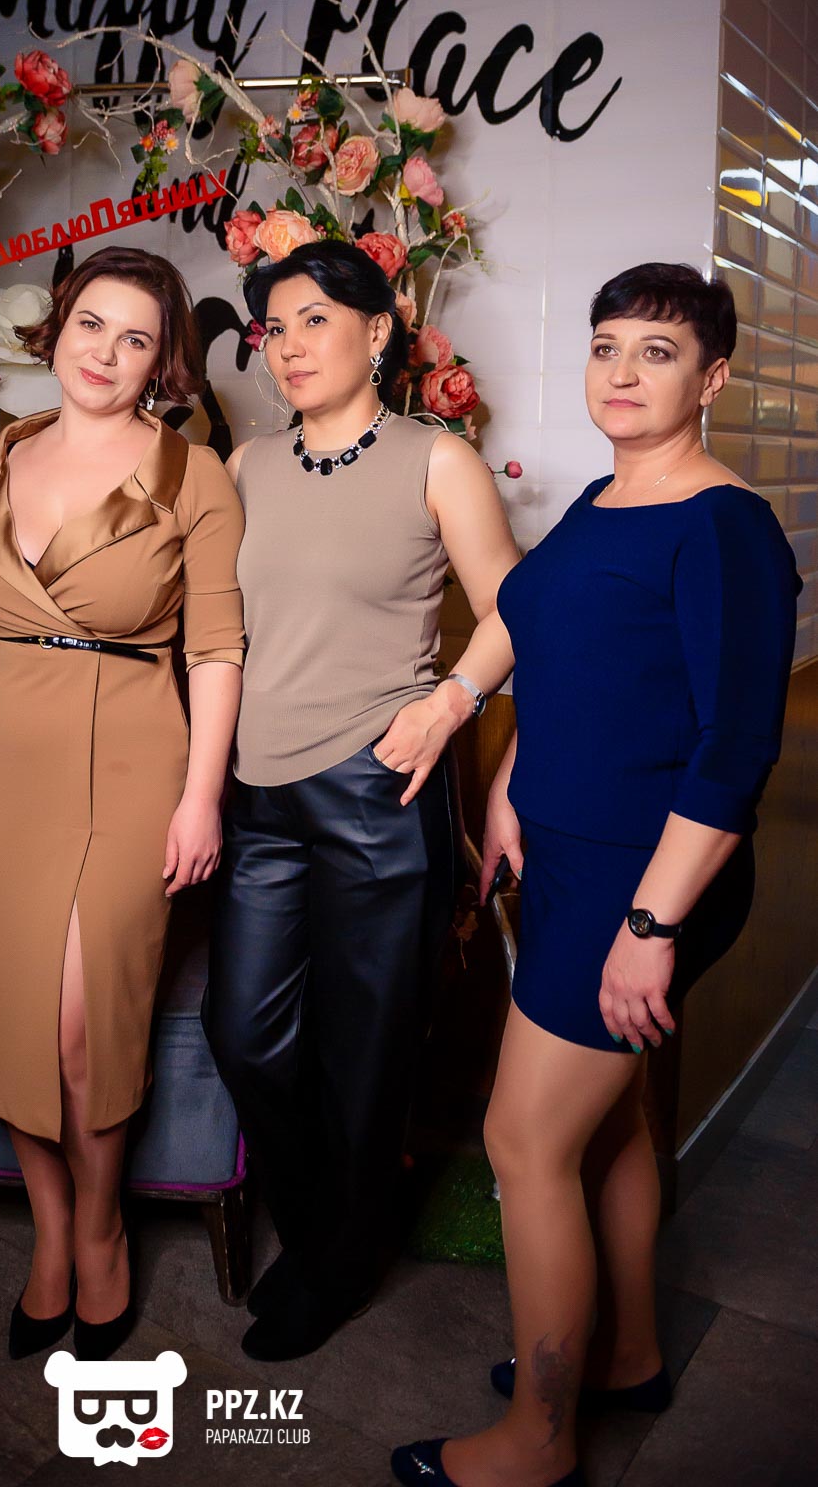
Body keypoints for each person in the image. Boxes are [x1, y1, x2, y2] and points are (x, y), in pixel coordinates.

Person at [392, 262, 799, 1487]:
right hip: (572, 854)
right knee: (610, 1126)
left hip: (644, 878)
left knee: (522, 1142)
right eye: (606, 345)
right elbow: (558, 645)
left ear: (711, 379)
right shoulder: (603, 499)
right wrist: (512, 781)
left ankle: (537, 1443)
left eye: (656, 353)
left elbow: (734, 751)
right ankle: (623, 1357)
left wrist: (649, 926)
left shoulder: (721, 526)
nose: (621, 373)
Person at [203, 240, 520, 1361]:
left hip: (378, 792)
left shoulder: (438, 460)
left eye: (315, 322)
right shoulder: (246, 465)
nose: (288, 347)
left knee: (365, 1054)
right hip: (259, 796)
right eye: (274, 328)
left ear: (377, 331)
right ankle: (328, 1231)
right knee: (243, 1034)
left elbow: (514, 611)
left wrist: (447, 706)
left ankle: (336, 1265)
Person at [0, 246, 244, 1362]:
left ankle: (103, 1228)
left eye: (136, 339)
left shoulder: (191, 474)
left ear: (161, 361)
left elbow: (216, 648)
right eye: (91, 325)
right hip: (3, 768)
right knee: (20, 1021)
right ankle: (51, 1233)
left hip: (134, 758)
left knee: (84, 1025)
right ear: (58, 326)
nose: (106, 354)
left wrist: (201, 798)